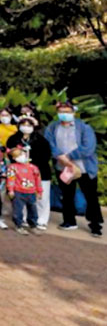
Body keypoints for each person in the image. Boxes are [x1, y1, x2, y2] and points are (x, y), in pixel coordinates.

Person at [44, 101, 102, 237]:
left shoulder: (84, 127)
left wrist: (68, 156)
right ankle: (69, 221)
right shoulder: (53, 127)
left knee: (91, 196)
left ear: (73, 112)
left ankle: (95, 225)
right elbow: (49, 143)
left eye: (67, 112)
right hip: (63, 168)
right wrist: (59, 156)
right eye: (61, 112)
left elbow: (88, 148)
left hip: (84, 169)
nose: (64, 114)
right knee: (67, 195)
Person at [6, 115, 52, 230]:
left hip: (40, 172)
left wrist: (32, 166)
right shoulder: (13, 139)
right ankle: (24, 217)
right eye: (23, 125)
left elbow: (46, 156)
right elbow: (10, 154)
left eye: (29, 125)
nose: (26, 127)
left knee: (42, 197)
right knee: (22, 196)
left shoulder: (41, 140)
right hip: (20, 173)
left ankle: (41, 220)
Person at [6, 146, 42, 235]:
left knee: (33, 210)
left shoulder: (33, 167)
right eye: (17, 156)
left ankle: (33, 225)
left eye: (21, 154)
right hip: (18, 192)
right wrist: (11, 190)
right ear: (14, 158)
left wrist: (39, 191)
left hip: (31, 192)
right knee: (18, 210)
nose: (21, 156)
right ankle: (18, 225)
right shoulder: (12, 167)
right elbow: (11, 179)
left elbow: (38, 180)